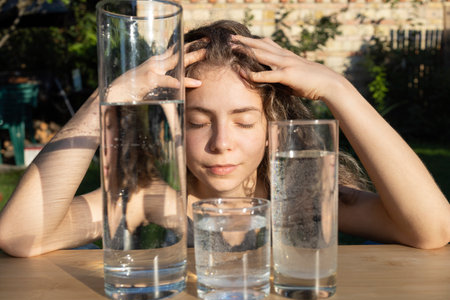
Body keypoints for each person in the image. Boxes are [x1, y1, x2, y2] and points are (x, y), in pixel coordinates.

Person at [0, 20, 448, 257]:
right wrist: (106, 100)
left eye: (245, 121)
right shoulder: (153, 198)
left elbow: (432, 229)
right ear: (173, 130)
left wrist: (339, 89)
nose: (221, 143)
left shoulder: (298, 197)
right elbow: (21, 236)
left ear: (274, 128)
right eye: (197, 123)